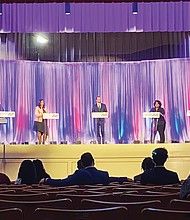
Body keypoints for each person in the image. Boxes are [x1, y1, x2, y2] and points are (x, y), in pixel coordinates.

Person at [40, 152, 109, 186]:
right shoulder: (104, 175)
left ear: (82, 164)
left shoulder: (79, 174)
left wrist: (46, 180)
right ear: (93, 162)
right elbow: (115, 179)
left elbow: (63, 182)